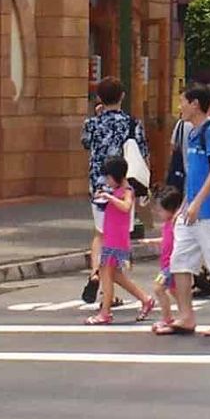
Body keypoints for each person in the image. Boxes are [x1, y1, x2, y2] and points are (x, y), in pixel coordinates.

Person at [158, 85, 210, 338]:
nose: (179, 106)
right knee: (180, 262)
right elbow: (191, 172)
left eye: (182, 101)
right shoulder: (192, 133)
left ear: (195, 104)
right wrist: (185, 202)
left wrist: (197, 202)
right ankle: (186, 316)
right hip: (190, 210)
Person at [80, 76, 148, 280]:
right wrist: (146, 184)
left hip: (98, 183)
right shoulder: (132, 123)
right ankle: (111, 281)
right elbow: (143, 152)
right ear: (123, 96)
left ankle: (95, 273)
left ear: (100, 97)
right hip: (124, 183)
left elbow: (85, 144)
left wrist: (97, 116)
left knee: (100, 232)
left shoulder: (91, 123)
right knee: (118, 234)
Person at [84, 155, 155, 326]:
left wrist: (110, 198)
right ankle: (145, 299)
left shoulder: (127, 190)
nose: (107, 181)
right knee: (114, 275)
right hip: (111, 237)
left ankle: (105, 313)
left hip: (117, 240)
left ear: (117, 175)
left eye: (109, 177)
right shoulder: (114, 190)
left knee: (106, 274)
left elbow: (126, 206)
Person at [152, 186, 183, 331]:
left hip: (170, 266)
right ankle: (185, 314)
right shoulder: (167, 224)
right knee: (175, 291)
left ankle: (167, 318)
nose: (157, 213)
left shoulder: (175, 223)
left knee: (158, 289)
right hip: (167, 264)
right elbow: (167, 240)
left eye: (160, 210)